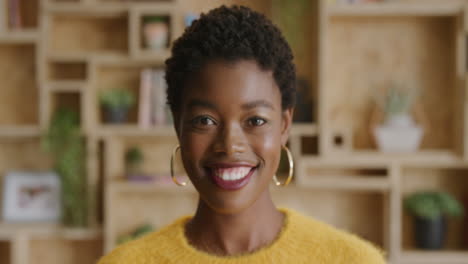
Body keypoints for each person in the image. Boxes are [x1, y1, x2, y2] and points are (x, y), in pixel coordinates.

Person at [98, 5, 386, 264]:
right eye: (205, 120)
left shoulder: (352, 260)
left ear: (284, 126)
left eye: (256, 120)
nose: (229, 145)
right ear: (178, 126)